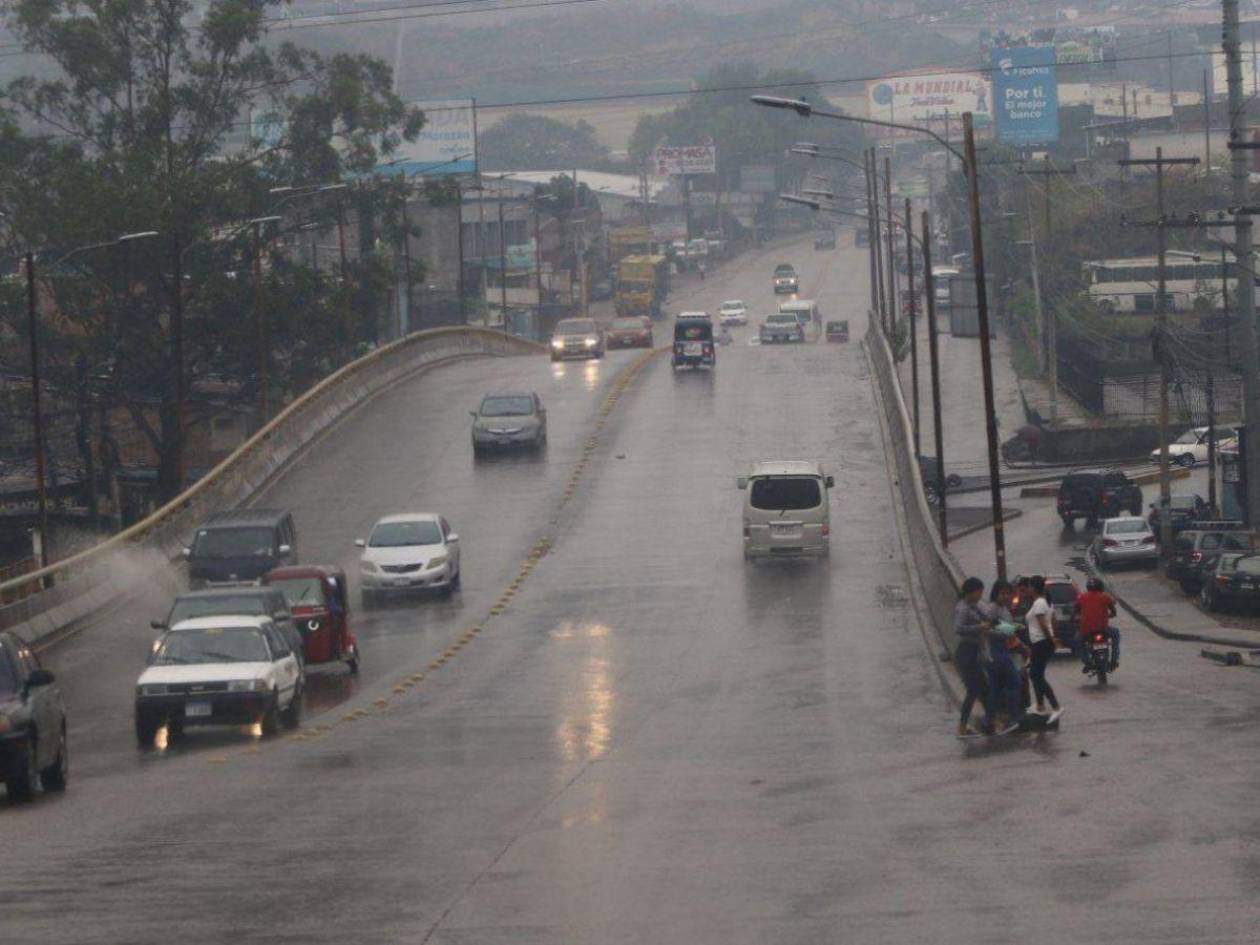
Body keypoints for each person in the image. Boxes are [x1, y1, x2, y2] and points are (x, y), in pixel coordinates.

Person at [981, 580, 1023, 733]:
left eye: (1008, 593)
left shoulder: (1003, 609)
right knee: (1014, 683)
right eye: (1003, 593)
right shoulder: (992, 609)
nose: (1006, 596)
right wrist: (1005, 631)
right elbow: (985, 629)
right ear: (995, 593)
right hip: (995, 651)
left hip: (1001, 650)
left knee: (996, 688)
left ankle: (988, 719)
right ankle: (1013, 718)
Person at [954, 577, 993, 736]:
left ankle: (990, 720)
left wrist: (989, 621)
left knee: (984, 687)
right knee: (973, 690)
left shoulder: (974, 606)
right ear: (970, 592)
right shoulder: (962, 608)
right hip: (966, 652)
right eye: (978, 592)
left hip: (974, 650)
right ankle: (962, 727)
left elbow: (986, 615)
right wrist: (979, 627)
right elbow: (959, 628)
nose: (980, 595)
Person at [1024, 575, 1062, 717]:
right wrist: (1055, 638)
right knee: (1036, 675)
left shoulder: (1039, 602)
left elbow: (1043, 624)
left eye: (1028, 586)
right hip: (1041, 643)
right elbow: (1054, 622)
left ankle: (1055, 706)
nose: (1027, 589)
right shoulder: (1045, 602)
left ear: (1033, 587)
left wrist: (1051, 639)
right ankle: (1040, 706)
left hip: (1041, 642)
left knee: (1036, 675)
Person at [1075, 576, 1120, 671]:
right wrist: (1109, 615)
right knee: (1116, 634)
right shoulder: (1105, 597)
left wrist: (1074, 619)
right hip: (1103, 629)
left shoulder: (1082, 597)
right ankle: (1114, 660)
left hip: (1086, 630)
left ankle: (1087, 663)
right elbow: (1113, 612)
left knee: (1078, 641)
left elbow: (1075, 612)